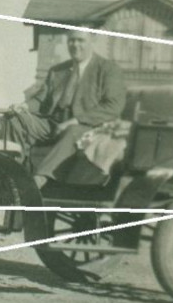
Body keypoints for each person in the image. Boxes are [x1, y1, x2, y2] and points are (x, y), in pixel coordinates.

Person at [7, 30, 127, 189]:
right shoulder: (58, 70)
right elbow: (41, 99)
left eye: (80, 40)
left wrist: (76, 120)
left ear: (93, 39)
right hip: (54, 123)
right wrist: (25, 106)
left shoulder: (108, 69)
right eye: (71, 41)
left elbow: (113, 106)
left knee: (72, 132)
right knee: (16, 120)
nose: (75, 45)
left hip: (90, 126)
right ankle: (14, 172)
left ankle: (39, 180)